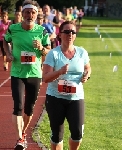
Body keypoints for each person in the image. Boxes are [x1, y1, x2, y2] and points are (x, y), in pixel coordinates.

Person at [3, 0, 51, 149]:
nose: (30, 15)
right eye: (27, 12)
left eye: (33, 12)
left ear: (37, 15)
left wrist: (41, 48)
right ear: (22, 14)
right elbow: (5, 41)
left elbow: (48, 51)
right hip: (17, 73)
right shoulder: (13, 29)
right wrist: (8, 53)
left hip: (35, 74)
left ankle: (22, 134)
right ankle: (19, 138)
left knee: (29, 109)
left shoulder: (42, 31)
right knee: (17, 107)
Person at [43, 21, 91, 150]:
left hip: (76, 98)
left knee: (77, 133)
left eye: (73, 32)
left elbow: (88, 68)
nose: (70, 34)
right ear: (60, 34)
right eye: (67, 31)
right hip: (55, 98)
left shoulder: (82, 52)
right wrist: (59, 72)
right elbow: (45, 77)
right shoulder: (53, 54)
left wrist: (87, 75)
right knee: (57, 135)